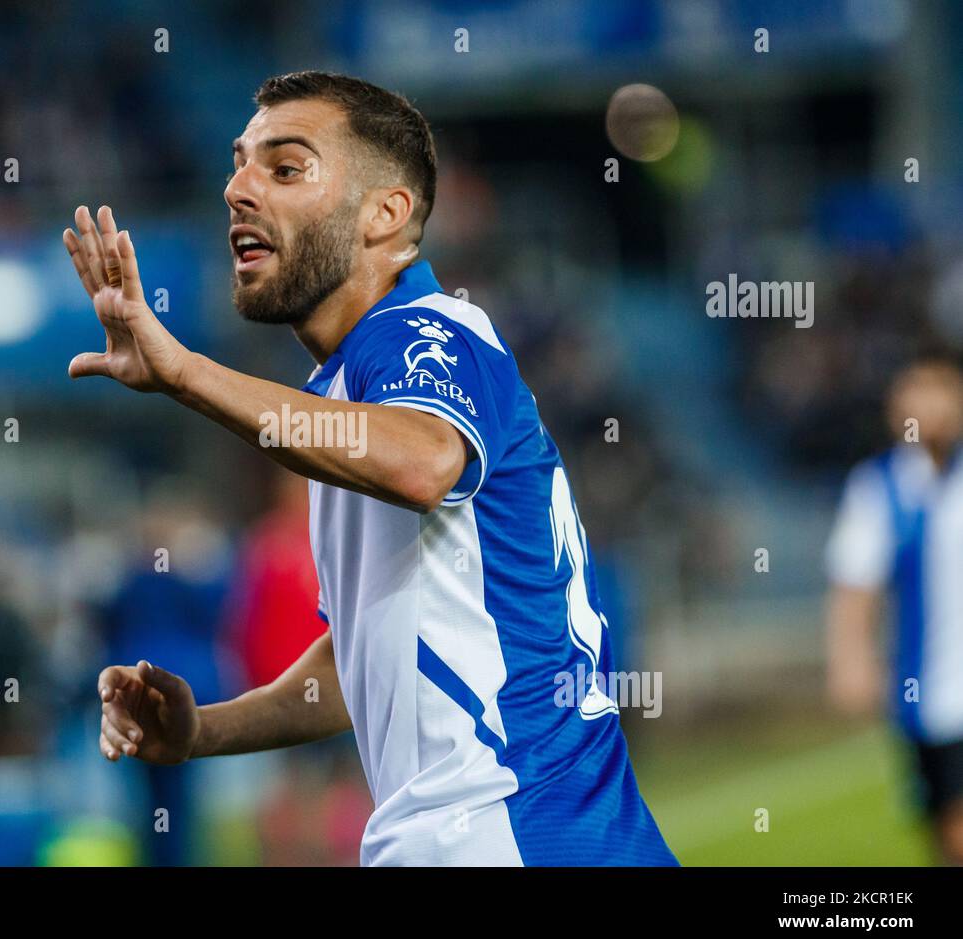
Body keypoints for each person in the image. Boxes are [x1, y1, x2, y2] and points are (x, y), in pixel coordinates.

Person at [63, 71, 675, 866]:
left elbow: (423, 462)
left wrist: (183, 372)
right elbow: (358, 662)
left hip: (509, 829)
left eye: (284, 168)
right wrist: (203, 731)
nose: (238, 189)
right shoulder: (347, 395)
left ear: (386, 215)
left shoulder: (426, 330)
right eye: (238, 163)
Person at [825, 353, 963, 864]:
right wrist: (850, 657)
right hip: (928, 697)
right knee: (944, 829)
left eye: (937, 388)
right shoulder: (878, 486)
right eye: (913, 389)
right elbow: (854, 580)